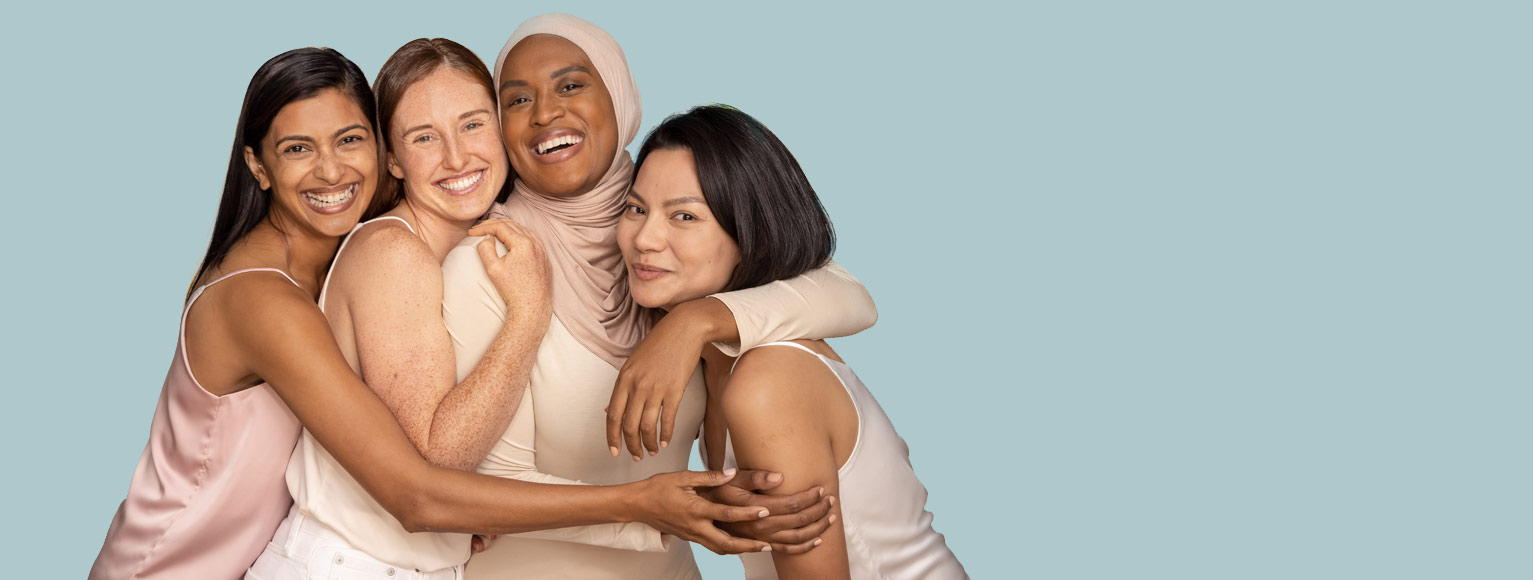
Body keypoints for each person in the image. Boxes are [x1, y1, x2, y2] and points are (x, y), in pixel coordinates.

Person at [93, 47, 802, 580]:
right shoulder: (282, 290)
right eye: (297, 149)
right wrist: (641, 506)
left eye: (349, 141)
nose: (334, 172)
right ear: (258, 167)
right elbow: (419, 486)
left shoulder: (367, 250)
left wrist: (697, 318)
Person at [446, 14, 878, 579]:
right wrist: (674, 513)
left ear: (621, 97)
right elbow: (488, 489)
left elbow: (847, 295)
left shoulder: (664, 242)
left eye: (571, 85)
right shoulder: (491, 261)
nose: (545, 113)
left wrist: (693, 324)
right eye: (517, 99)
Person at [621, 105, 967, 580]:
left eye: (684, 216)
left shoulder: (768, 381)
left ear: (751, 236)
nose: (644, 238)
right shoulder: (714, 370)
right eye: (635, 209)